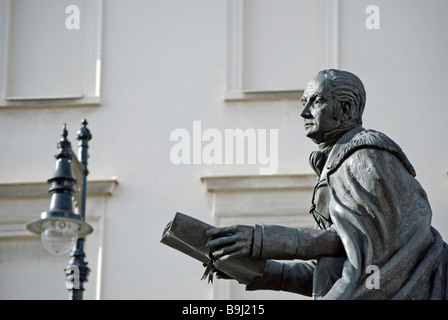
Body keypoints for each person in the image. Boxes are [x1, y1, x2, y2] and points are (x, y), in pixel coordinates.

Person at [205, 69, 448, 299]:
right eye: (303, 102)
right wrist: (258, 271)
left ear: (345, 108)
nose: (305, 112)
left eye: (316, 101)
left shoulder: (366, 158)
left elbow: (358, 244)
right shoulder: (338, 160)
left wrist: (260, 240)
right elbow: (334, 267)